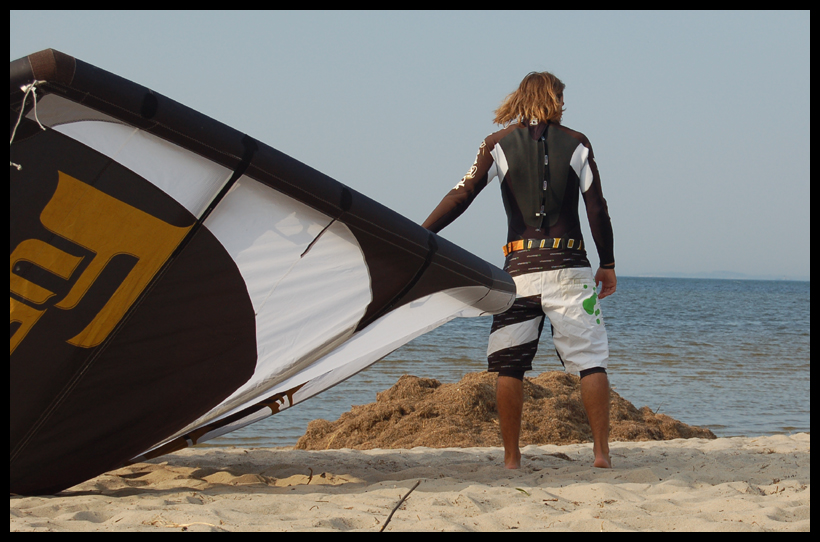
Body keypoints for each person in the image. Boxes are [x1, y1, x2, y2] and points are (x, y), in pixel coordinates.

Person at [421, 72, 616, 469]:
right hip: (570, 269)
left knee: (509, 365)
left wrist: (421, 234)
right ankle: (601, 454)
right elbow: (597, 208)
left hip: (520, 271)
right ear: (553, 98)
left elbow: (462, 194)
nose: (564, 106)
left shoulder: (496, 144)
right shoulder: (577, 143)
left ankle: (512, 459)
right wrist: (608, 263)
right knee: (591, 362)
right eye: (561, 98)